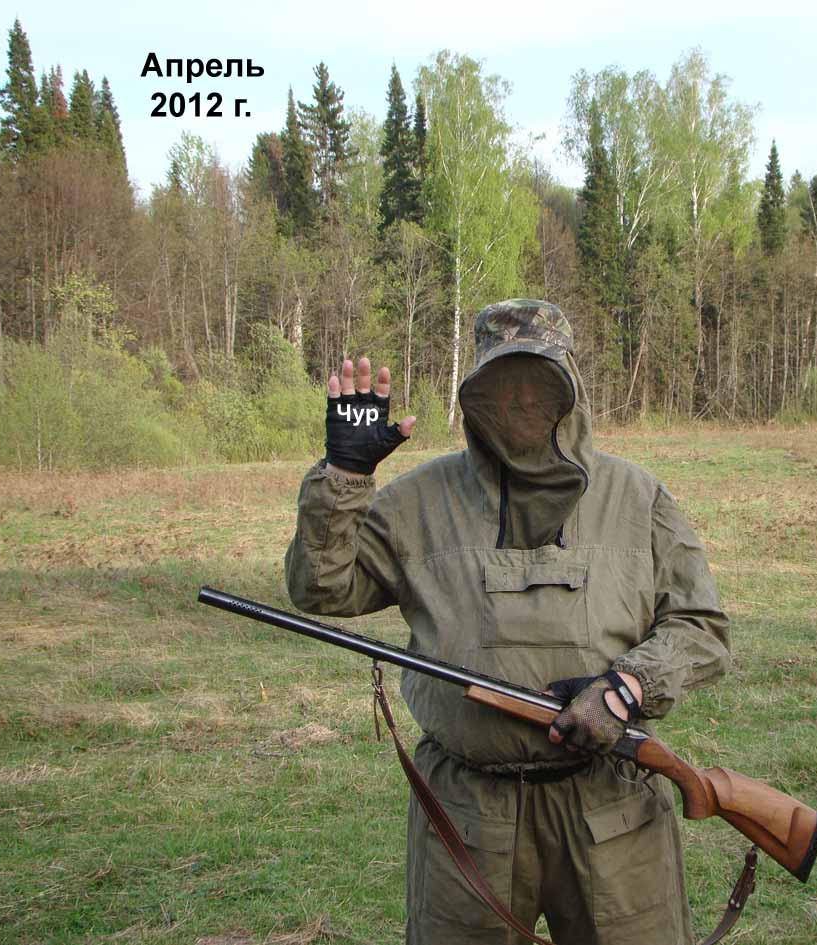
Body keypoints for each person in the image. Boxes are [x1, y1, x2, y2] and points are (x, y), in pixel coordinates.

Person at [285, 299, 730, 945]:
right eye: (502, 385)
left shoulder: (638, 497)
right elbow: (321, 589)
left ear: (571, 389)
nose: (521, 400)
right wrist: (344, 477)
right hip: (467, 816)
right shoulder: (418, 501)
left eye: (540, 383)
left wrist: (627, 688)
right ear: (474, 396)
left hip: (612, 809)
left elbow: (702, 626)